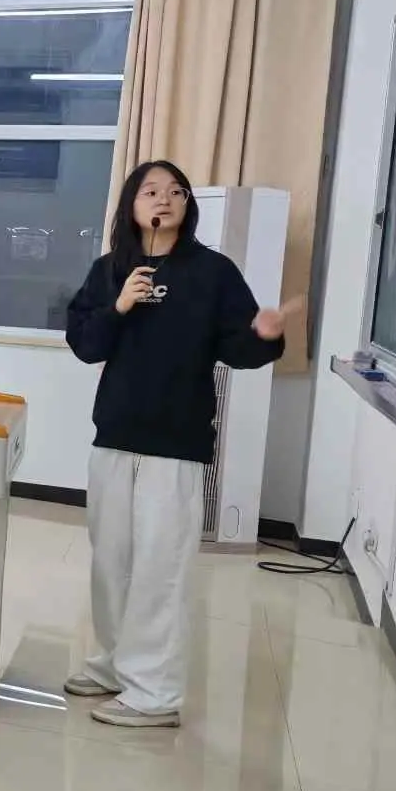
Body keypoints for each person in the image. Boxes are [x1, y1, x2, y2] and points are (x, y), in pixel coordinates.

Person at [65, 160, 294, 729]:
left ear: (188, 206)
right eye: (150, 191)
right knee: (110, 562)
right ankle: (112, 665)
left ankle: (153, 693)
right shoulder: (109, 270)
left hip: (177, 440)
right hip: (115, 434)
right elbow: (86, 345)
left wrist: (266, 336)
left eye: (175, 192)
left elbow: (240, 348)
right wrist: (120, 305)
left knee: (159, 568)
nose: (163, 200)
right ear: (131, 205)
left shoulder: (212, 272)